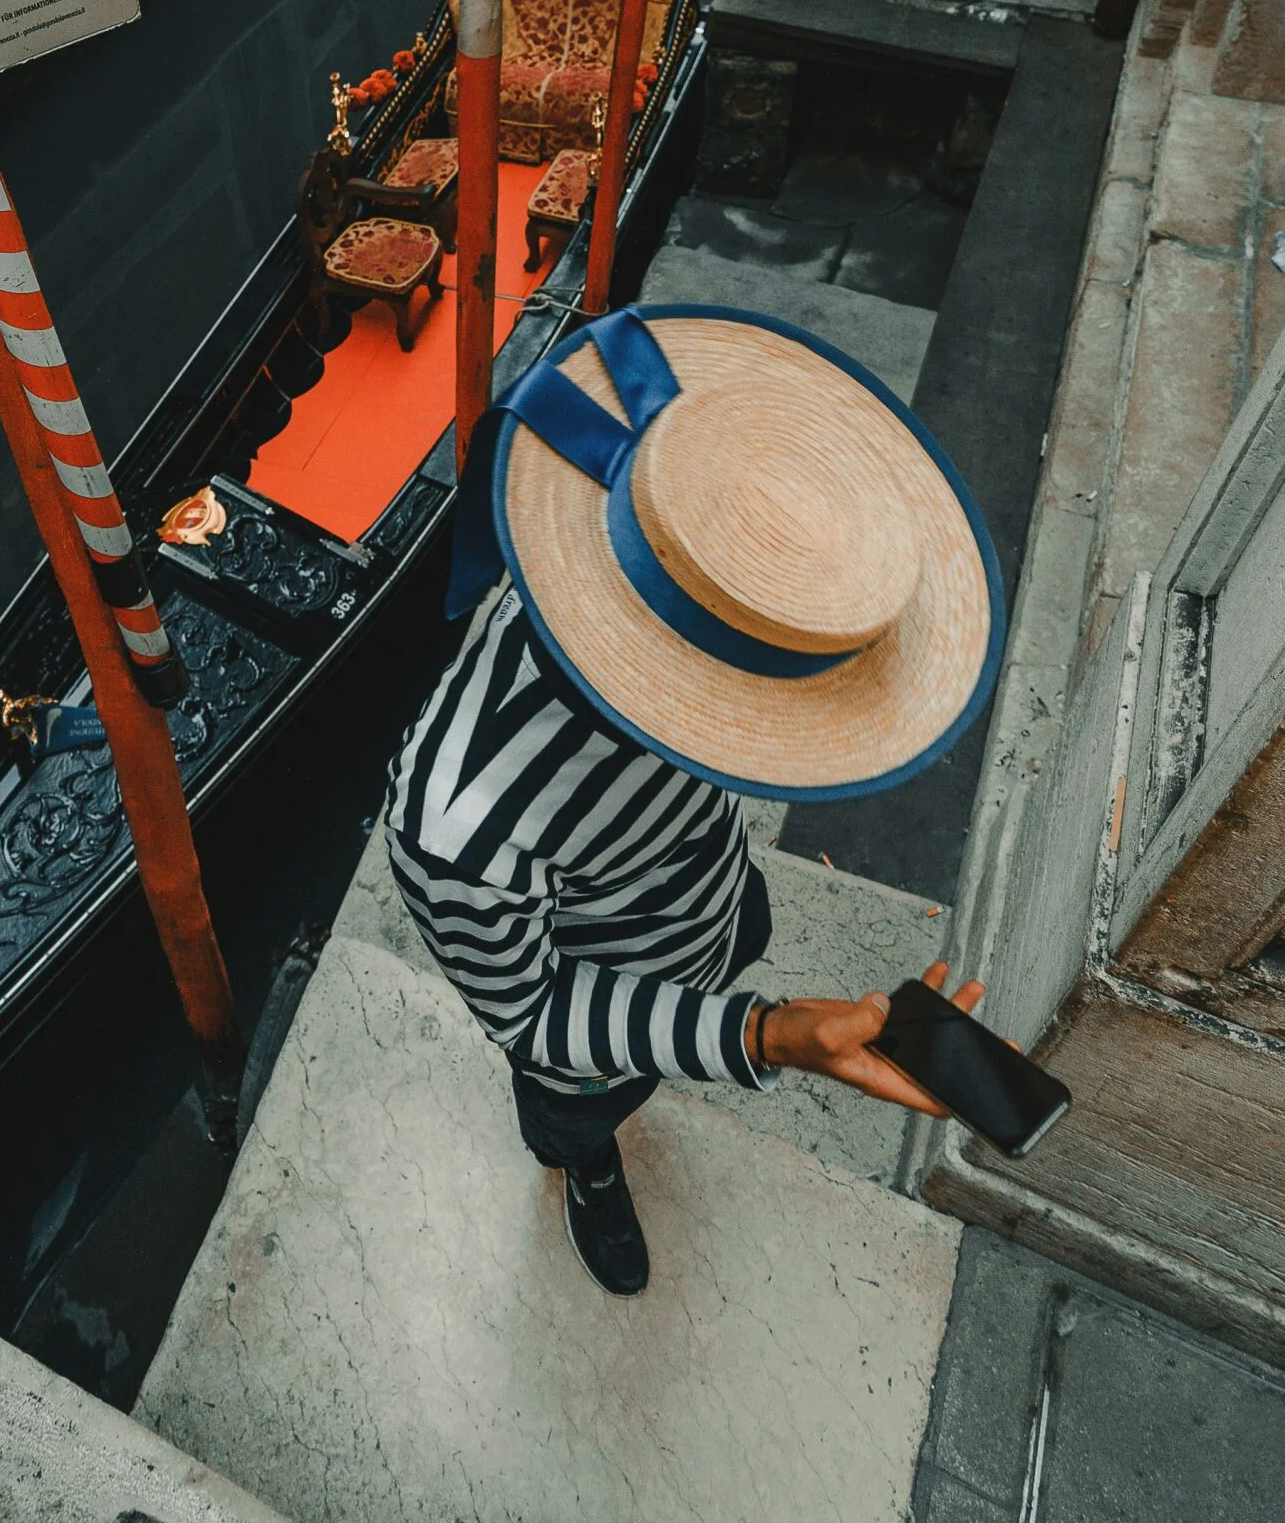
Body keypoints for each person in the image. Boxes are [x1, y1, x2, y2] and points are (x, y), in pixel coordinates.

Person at [387, 302, 1004, 1297]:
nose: (782, 738)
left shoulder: (676, 558)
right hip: (592, 1020)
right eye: (755, 707)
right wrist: (766, 1034)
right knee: (580, 1112)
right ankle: (589, 1170)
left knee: (736, 922)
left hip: (711, 897)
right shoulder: (461, 833)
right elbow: (537, 1012)